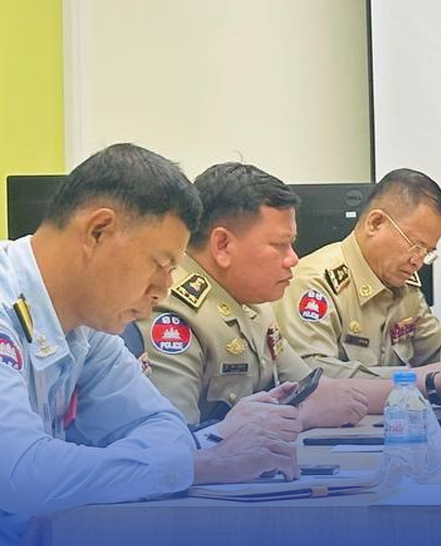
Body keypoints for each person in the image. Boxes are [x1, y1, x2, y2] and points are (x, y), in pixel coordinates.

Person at [0, 144, 296, 543]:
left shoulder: (87, 323)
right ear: (98, 231)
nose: (164, 288)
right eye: (160, 263)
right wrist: (197, 467)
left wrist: (79, 480)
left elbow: (161, 426)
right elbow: (21, 473)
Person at [137, 162, 377, 432]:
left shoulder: (254, 304)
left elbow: (313, 389)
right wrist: (301, 418)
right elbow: (176, 439)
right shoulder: (172, 311)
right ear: (222, 245)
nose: (293, 259)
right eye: (279, 245)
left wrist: (410, 386)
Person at [275, 168, 441, 403]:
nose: (418, 261)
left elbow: (438, 346)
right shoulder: (313, 283)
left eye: (427, 252)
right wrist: (418, 379)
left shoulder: (404, 287)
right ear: (375, 223)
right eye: (415, 246)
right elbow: (313, 376)